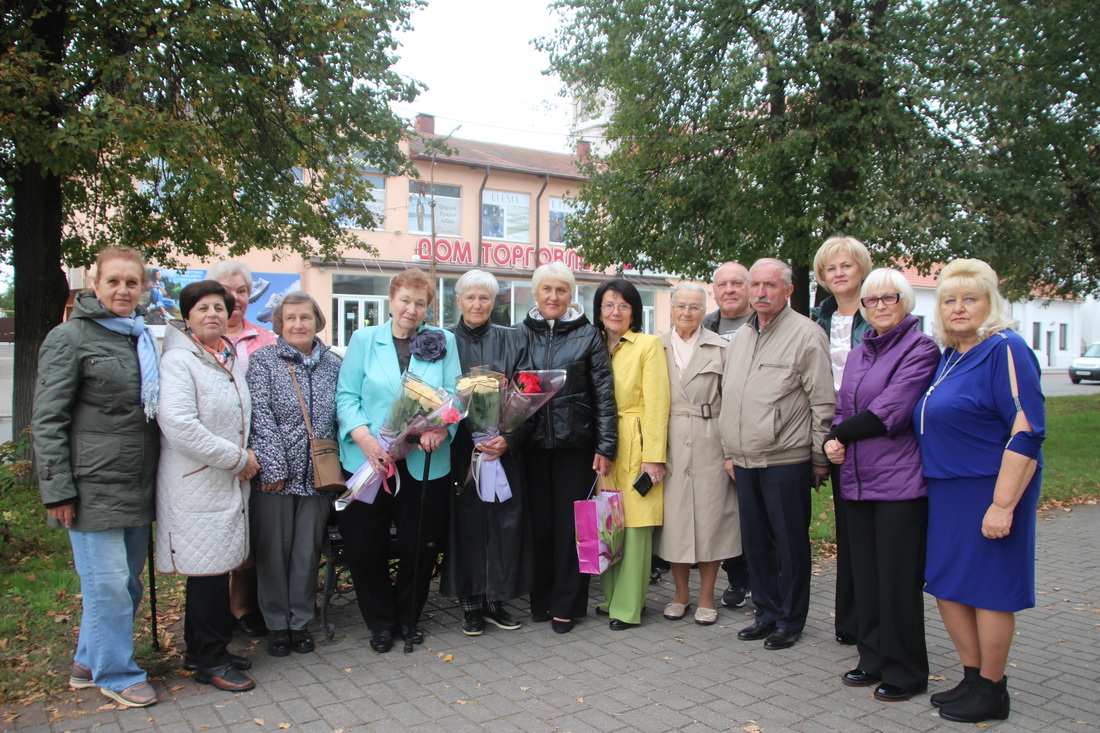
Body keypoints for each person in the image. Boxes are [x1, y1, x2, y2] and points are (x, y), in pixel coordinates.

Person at [914, 259, 1045, 724]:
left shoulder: (1004, 348)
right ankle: (972, 677)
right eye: (949, 300)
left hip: (990, 488)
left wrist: (1003, 504)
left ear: (991, 303)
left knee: (989, 591)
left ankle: (993, 688)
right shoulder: (951, 355)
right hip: (947, 490)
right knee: (947, 584)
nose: (959, 308)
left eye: (971, 298)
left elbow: (1027, 430)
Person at [33, 247, 161, 708]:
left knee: (125, 584)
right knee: (106, 583)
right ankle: (117, 673)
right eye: (114, 281)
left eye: (132, 282)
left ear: (143, 287)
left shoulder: (141, 337)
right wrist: (57, 491)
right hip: (89, 488)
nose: (124, 290)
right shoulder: (70, 337)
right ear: (95, 285)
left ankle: (88, 661)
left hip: (135, 483)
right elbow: (47, 420)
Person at [822, 268, 940, 702]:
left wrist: (838, 437)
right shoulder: (858, 353)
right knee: (865, 576)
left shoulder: (921, 348)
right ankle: (871, 657)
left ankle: (906, 669)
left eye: (889, 297)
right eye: (872, 300)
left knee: (896, 580)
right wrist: (832, 440)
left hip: (899, 485)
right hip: (855, 480)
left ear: (905, 302)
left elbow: (891, 410)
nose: (880, 306)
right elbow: (842, 409)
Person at [335, 268, 462, 653]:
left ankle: (408, 616)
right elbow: (346, 397)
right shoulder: (363, 339)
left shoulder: (444, 341)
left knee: (420, 544)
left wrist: (441, 429)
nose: (411, 309)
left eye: (420, 303)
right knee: (364, 545)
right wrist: (367, 441)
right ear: (391, 300)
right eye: (405, 300)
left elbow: (456, 398)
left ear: (429, 307)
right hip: (369, 460)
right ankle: (380, 621)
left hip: (425, 463)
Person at [718, 258, 834, 651]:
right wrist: (729, 452)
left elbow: (823, 402)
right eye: (756, 285)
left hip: (786, 459)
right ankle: (765, 612)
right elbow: (731, 397)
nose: (761, 292)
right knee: (756, 544)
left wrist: (819, 458)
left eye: (771, 285)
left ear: (788, 291)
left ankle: (790, 618)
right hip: (744, 460)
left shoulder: (807, 334)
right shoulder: (743, 336)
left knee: (789, 545)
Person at [156, 280, 260, 692]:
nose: (213, 314)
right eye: (203, 308)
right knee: (207, 573)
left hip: (223, 484)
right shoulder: (179, 361)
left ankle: (204, 649)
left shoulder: (223, 356)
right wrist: (237, 458)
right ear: (187, 316)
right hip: (197, 484)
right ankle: (211, 661)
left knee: (216, 572)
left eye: (220, 307)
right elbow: (180, 425)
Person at [519, 263, 617, 634]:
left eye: (561, 290)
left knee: (571, 530)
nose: (553, 297)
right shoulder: (520, 333)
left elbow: (604, 396)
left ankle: (567, 604)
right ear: (536, 293)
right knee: (539, 527)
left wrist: (605, 446)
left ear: (571, 295)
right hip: (530, 446)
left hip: (575, 447)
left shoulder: (588, 336)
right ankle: (541, 600)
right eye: (547, 290)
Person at [246, 292, 341, 657]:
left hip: (319, 478)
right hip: (276, 479)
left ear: (317, 322)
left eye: (305, 317)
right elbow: (260, 416)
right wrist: (275, 467)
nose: (298, 325)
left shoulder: (333, 364)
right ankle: (276, 624)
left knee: (305, 554)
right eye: (291, 319)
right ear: (279, 326)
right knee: (273, 553)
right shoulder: (264, 361)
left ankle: (299, 622)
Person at [441, 270, 531, 636]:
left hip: (502, 449)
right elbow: (436, 394)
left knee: (503, 522)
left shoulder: (514, 340)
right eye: (470, 297)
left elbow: (529, 391)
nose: (477, 304)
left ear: (494, 303)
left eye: (485, 298)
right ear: (458, 300)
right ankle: (472, 603)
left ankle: (498, 598)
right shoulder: (443, 341)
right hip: (462, 448)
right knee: (467, 524)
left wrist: (510, 436)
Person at [655, 282, 740, 626]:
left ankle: (706, 594)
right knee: (675, 521)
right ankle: (679, 593)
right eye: (680, 306)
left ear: (704, 312)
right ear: (671, 309)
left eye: (694, 307)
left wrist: (732, 451)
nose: (686, 313)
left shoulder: (722, 348)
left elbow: (732, 403)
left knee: (710, 519)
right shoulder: (655, 347)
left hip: (710, 439)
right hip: (670, 439)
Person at [593, 279, 670, 630]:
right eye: (609, 305)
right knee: (609, 522)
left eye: (624, 306)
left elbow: (657, 403)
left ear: (635, 312)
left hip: (637, 443)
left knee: (637, 526)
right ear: (599, 310)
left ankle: (628, 607)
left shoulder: (648, 345)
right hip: (603, 446)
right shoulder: (594, 344)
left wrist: (654, 457)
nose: (615, 312)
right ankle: (609, 598)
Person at [811, 235, 875, 647]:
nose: (838, 274)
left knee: (867, 530)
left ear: (862, 270)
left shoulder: (880, 314)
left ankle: (872, 618)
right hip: (828, 430)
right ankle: (850, 621)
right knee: (847, 530)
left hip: (869, 430)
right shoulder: (819, 318)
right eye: (831, 268)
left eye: (846, 266)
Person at [208, 260, 277, 638]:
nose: (233, 299)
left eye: (242, 291)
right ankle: (213, 610)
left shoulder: (265, 339)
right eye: (226, 290)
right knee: (215, 533)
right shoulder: (196, 336)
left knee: (251, 535)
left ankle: (243, 607)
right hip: (214, 452)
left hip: (257, 454)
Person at [701, 261, 753, 609]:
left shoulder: (762, 322)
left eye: (737, 283)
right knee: (724, 509)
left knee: (752, 511)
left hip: (755, 429)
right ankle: (738, 577)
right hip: (714, 430)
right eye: (723, 285)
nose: (730, 290)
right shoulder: (706, 326)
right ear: (715, 291)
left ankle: (761, 579)